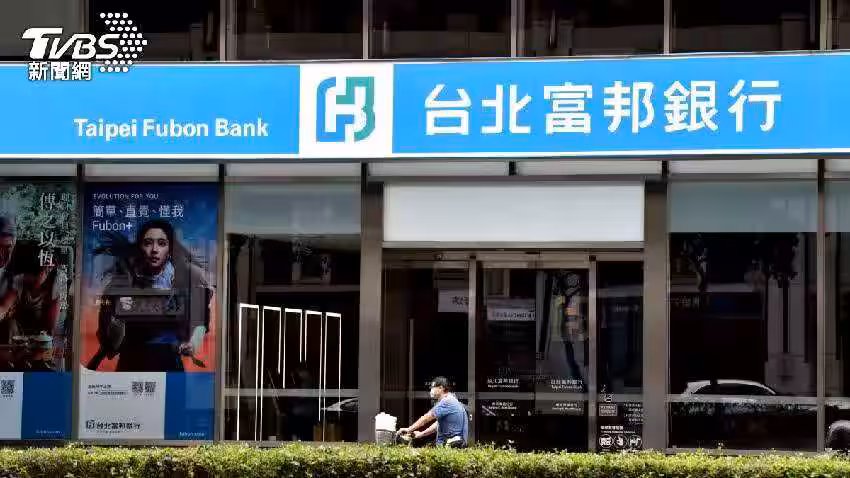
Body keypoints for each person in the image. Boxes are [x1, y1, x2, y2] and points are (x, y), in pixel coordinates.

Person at [91, 219, 212, 372]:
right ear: (140, 247)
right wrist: (118, 318)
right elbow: (111, 348)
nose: (154, 249)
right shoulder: (120, 284)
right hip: (131, 369)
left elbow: (200, 321)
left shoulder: (185, 281)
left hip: (170, 369)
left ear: (170, 249)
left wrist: (193, 343)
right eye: (148, 243)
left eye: (162, 243)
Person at [398, 377, 468, 448]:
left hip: (452, 444)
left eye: (433, 387)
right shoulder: (452, 399)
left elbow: (427, 417)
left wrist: (409, 429)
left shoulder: (447, 401)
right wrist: (421, 434)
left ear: (441, 388)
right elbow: (437, 425)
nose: (431, 390)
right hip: (453, 444)